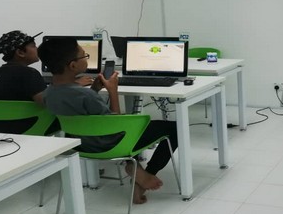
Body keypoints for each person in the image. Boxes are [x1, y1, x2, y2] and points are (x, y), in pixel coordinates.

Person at [38, 37, 178, 204]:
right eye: (85, 56)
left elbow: (79, 110)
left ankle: (134, 166)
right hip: (110, 145)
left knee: (129, 125)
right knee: (174, 129)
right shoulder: (85, 95)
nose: (87, 58)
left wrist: (95, 89)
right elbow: (115, 126)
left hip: (80, 145)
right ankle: (145, 174)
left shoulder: (48, 93)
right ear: (73, 65)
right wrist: (113, 91)